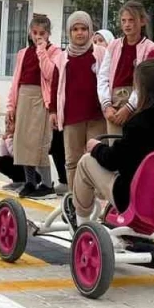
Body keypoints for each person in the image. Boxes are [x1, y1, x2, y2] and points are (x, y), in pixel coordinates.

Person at [65, 58, 154, 227]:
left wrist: (96, 148)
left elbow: (114, 161)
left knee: (85, 162)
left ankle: (81, 221)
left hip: (132, 198)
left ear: (144, 91)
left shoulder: (138, 124)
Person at [7, 14, 62, 197]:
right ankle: (30, 181)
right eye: (35, 32)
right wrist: (11, 106)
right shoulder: (23, 53)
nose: (38, 36)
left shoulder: (55, 52)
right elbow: (16, 80)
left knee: (38, 143)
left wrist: (41, 50)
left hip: (41, 100)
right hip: (23, 97)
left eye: (42, 33)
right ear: (30, 32)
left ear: (48, 34)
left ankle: (47, 184)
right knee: (23, 142)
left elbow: (50, 74)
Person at [51, 11, 106, 184]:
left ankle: (96, 200)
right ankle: (75, 200)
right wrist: (53, 110)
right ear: (69, 32)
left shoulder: (100, 53)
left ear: (90, 31)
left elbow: (107, 80)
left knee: (95, 159)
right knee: (72, 160)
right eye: (75, 29)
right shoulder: (62, 57)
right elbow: (55, 85)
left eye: (84, 28)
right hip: (71, 117)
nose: (80, 33)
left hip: (97, 116)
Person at [98, 0, 154, 135]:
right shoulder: (114, 45)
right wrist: (106, 105)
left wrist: (129, 107)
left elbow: (145, 82)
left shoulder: (149, 48)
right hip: (114, 103)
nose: (127, 25)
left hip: (137, 105)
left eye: (131, 20)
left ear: (142, 21)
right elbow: (103, 76)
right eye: (124, 21)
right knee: (115, 145)